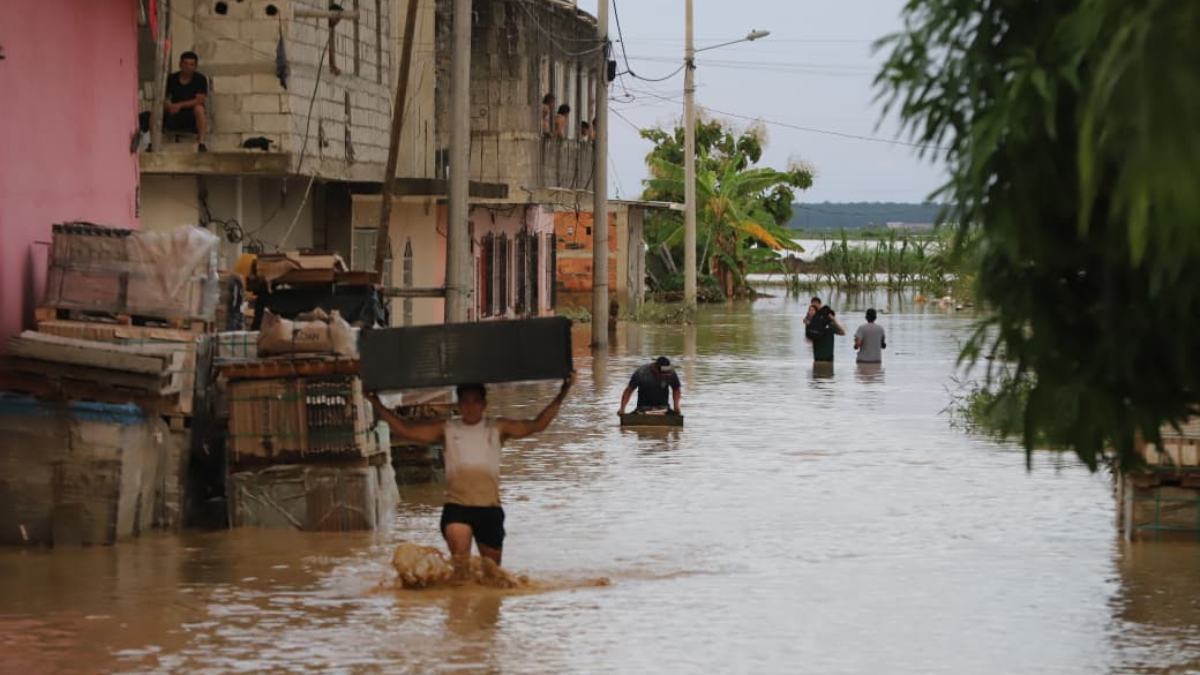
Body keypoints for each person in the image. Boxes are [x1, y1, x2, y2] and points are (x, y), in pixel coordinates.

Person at [369, 376, 574, 580]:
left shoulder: (498, 427)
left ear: (484, 404)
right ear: (459, 405)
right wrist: (375, 402)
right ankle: (457, 597)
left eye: (475, 401)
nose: (471, 407)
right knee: (461, 566)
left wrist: (563, 392)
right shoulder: (447, 429)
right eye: (466, 402)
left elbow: (537, 425)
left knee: (493, 576)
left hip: (489, 510)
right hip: (457, 508)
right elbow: (406, 430)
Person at [164, 51, 209, 152]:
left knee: (199, 108)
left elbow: (200, 99)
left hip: (190, 114)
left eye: (191, 64)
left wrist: (180, 105)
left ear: (195, 66)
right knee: (155, 109)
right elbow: (164, 96)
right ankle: (152, 143)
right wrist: (168, 105)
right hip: (173, 112)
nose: (188, 67)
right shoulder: (171, 78)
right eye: (185, 63)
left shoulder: (200, 79)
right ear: (180, 64)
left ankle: (201, 143)